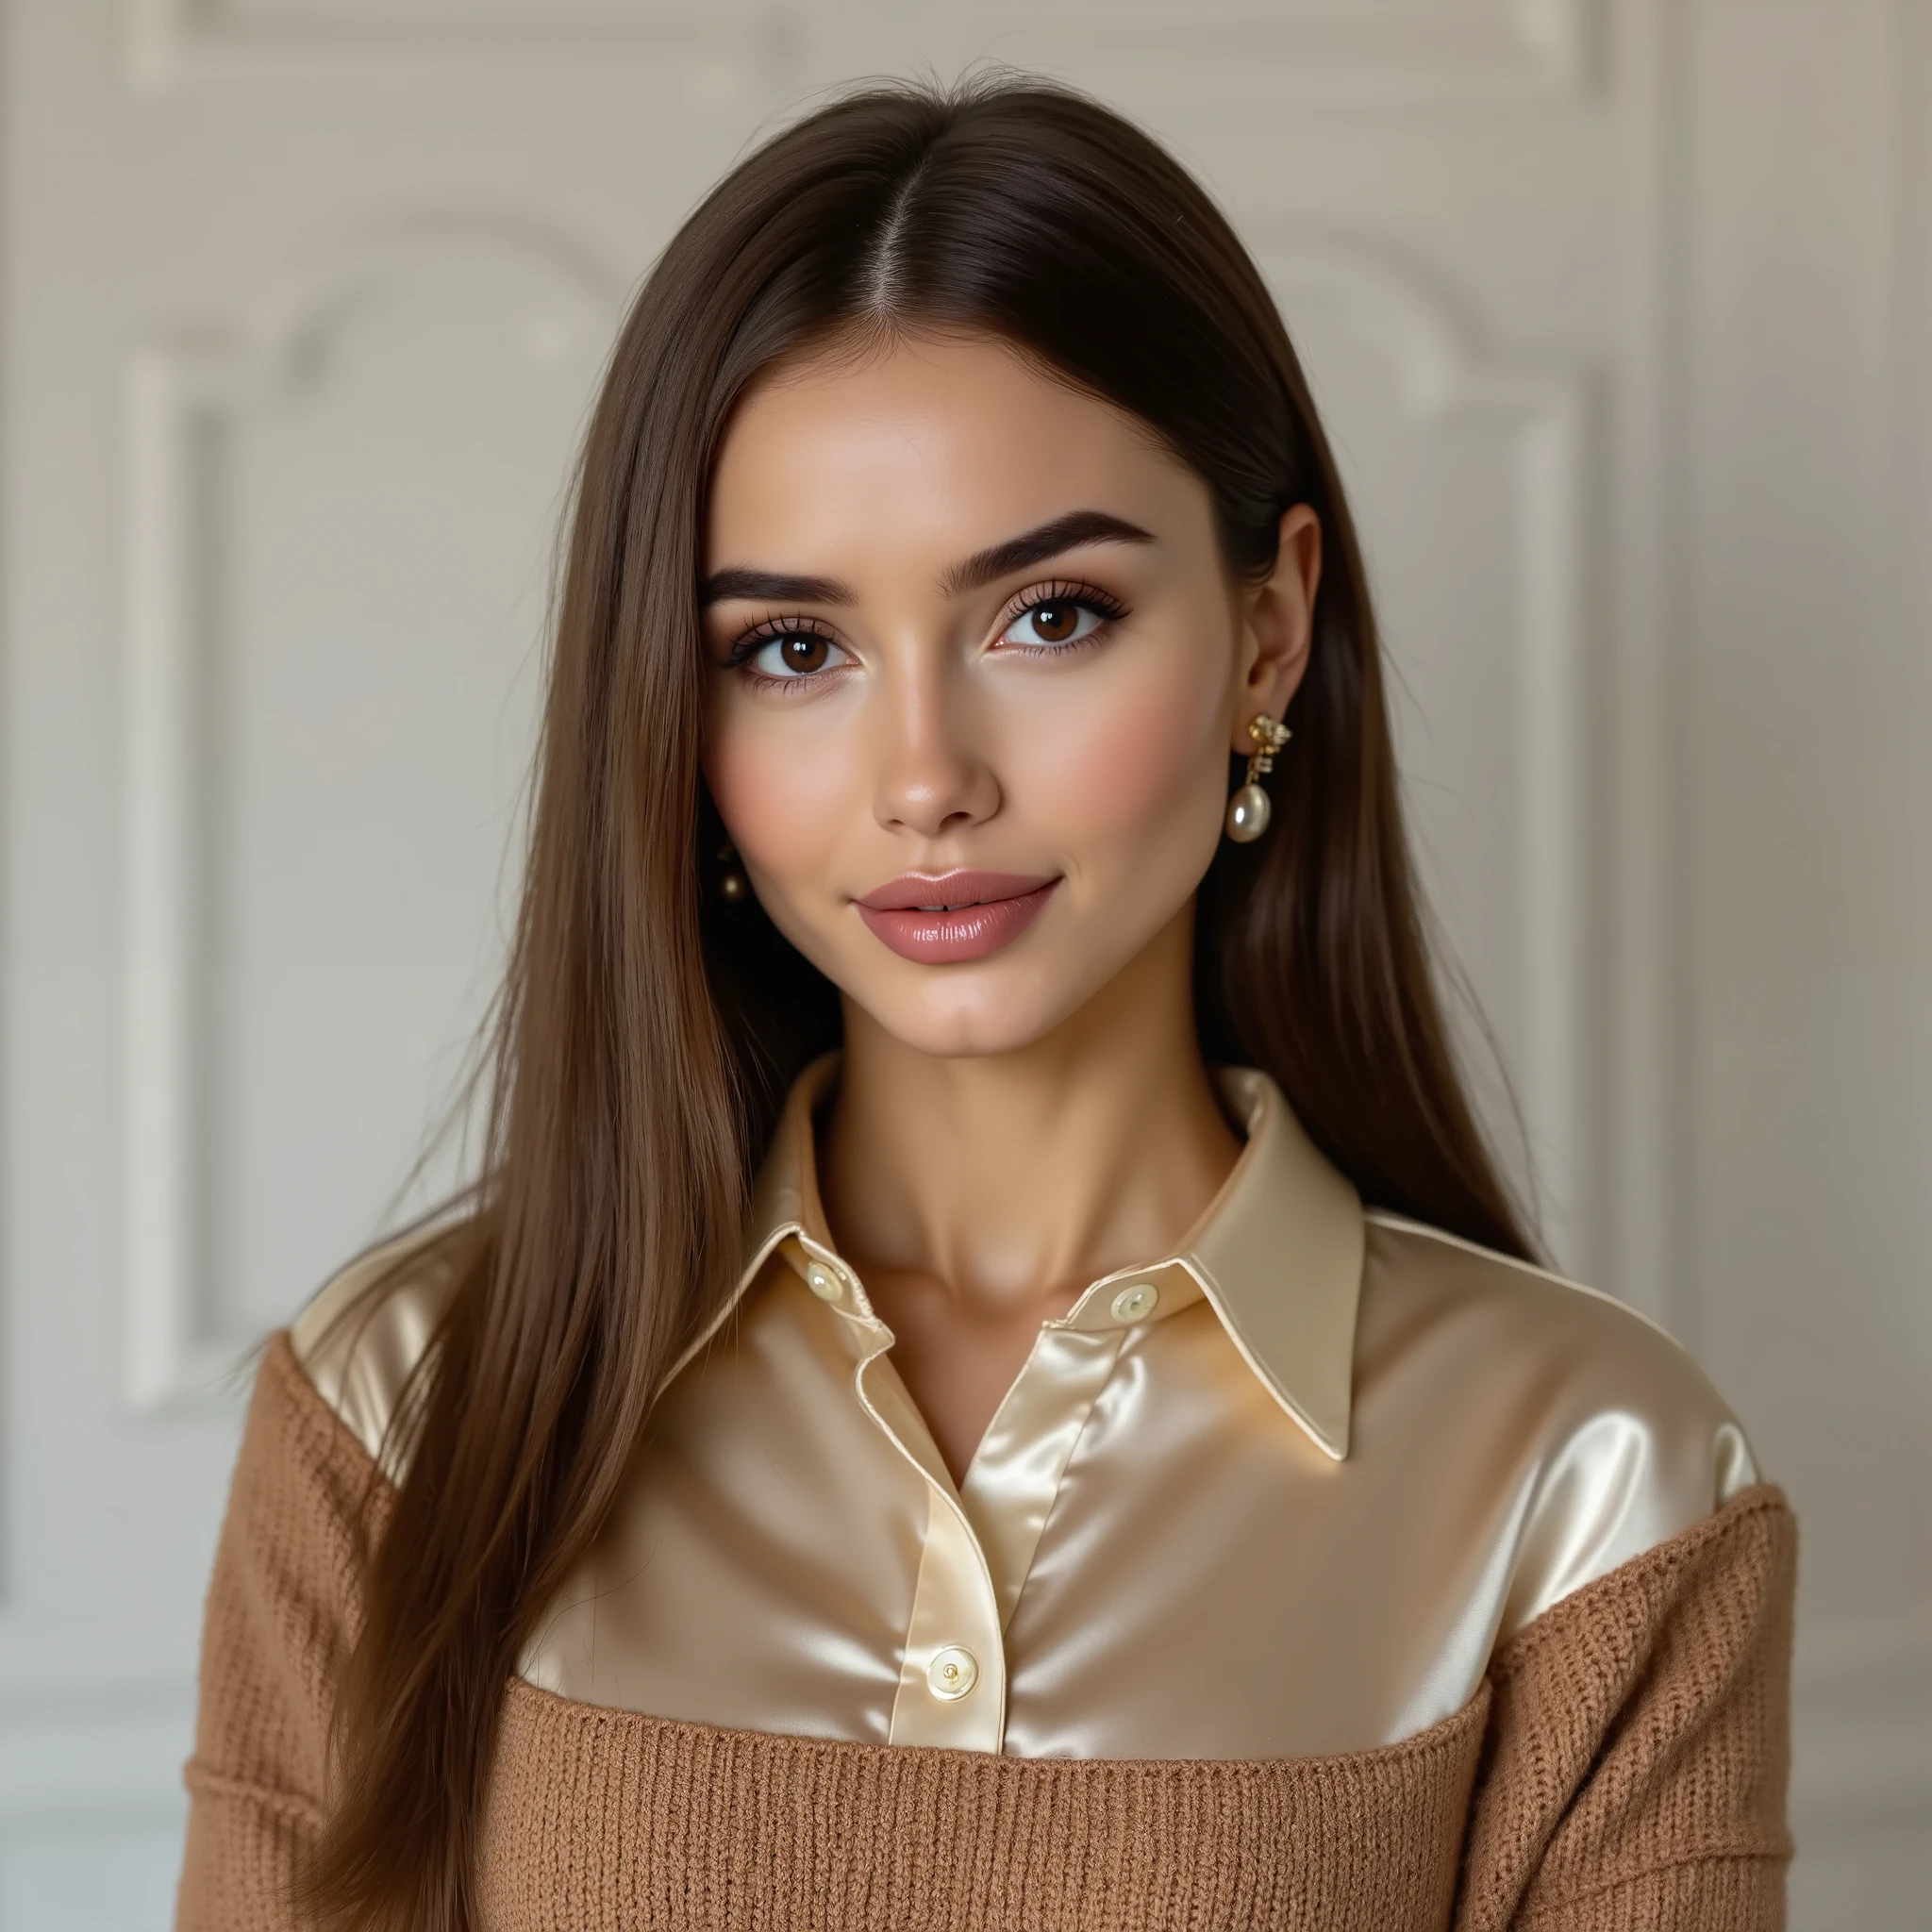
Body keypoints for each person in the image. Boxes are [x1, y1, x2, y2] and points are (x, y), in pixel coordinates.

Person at [175, 76, 1793, 1932]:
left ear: (1268, 630)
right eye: (790, 650)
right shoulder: (405, 1406)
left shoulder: (1597, 1479)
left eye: (1049, 616)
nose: (924, 774)